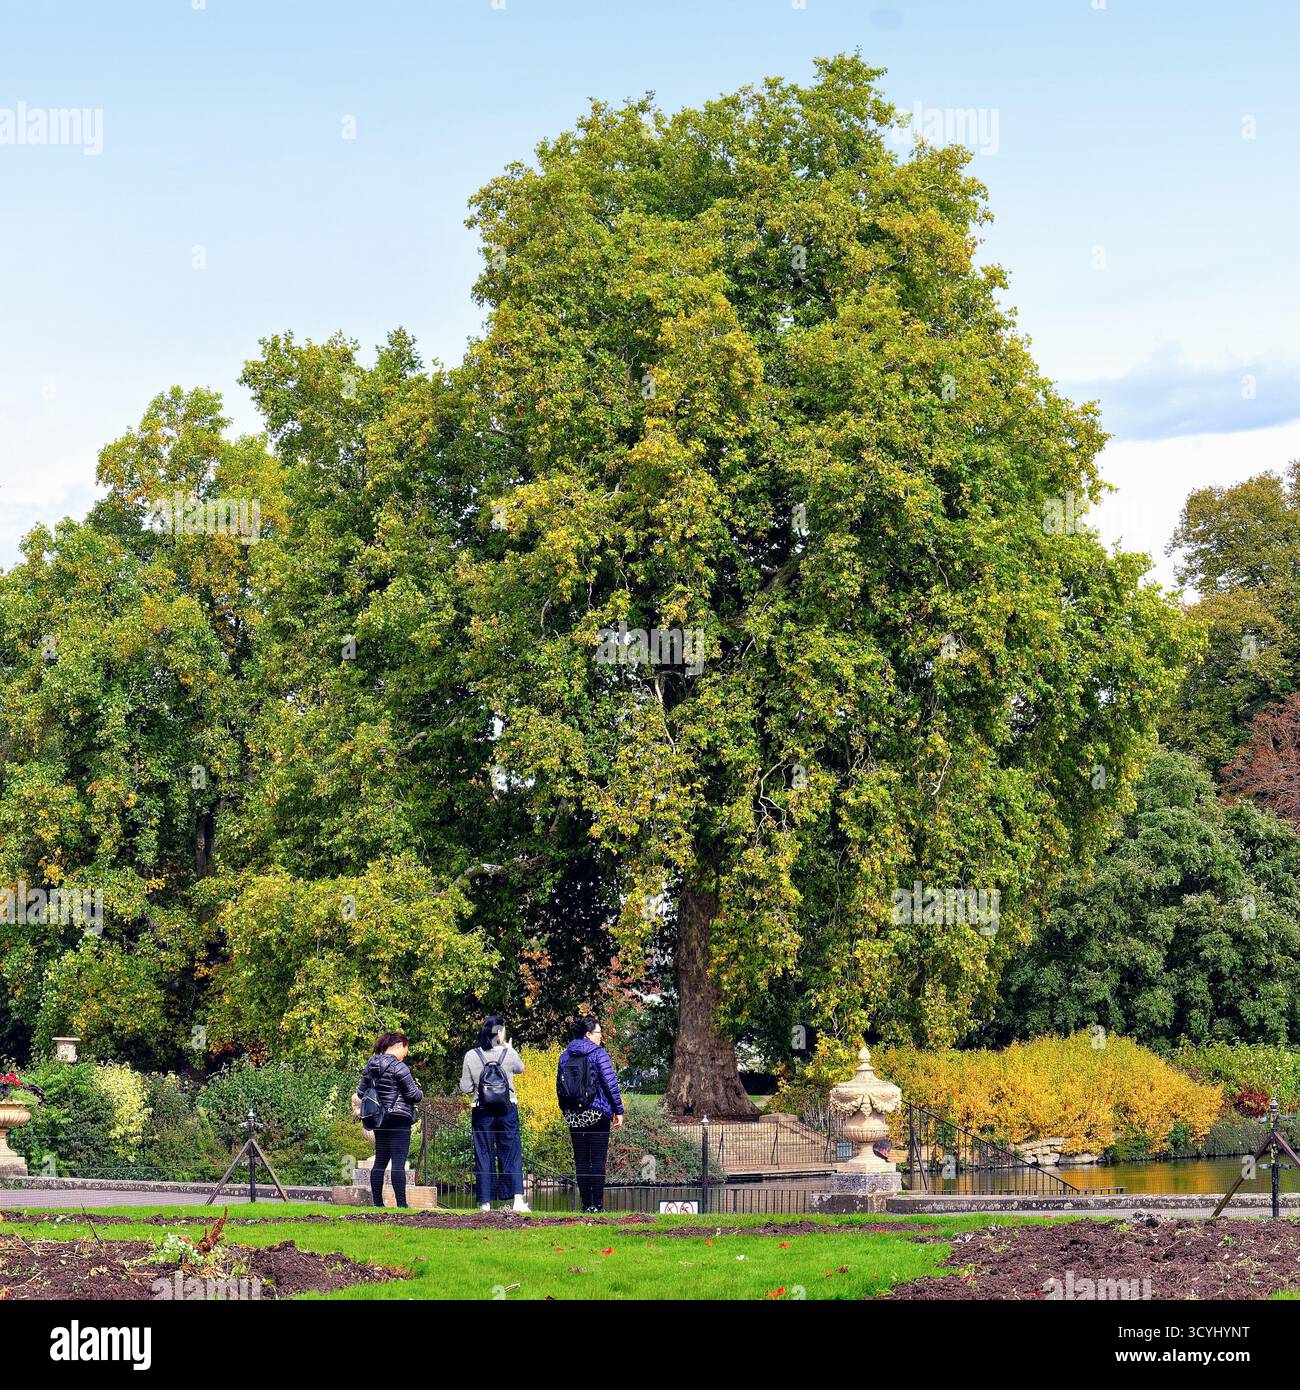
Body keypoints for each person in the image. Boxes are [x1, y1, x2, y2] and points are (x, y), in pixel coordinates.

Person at [460, 1016, 529, 1213]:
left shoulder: (471, 1055)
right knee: (511, 1152)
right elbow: (521, 1069)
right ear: (499, 1032)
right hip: (507, 1109)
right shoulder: (509, 1053)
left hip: (481, 1110)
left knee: (483, 1153)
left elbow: (465, 1087)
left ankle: (485, 1203)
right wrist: (509, 1047)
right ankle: (516, 1200)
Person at [556, 1015, 624, 1213]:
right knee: (597, 1160)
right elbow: (610, 1084)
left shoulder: (565, 1055)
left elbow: (559, 1087)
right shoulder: (598, 1053)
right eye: (598, 1032)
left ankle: (586, 1205)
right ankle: (598, 1205)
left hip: (574, 1116)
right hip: (597, 1113)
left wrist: (566, 1111)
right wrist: (618, 1110)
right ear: (588, 1034)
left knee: (582, 1161)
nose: (601, 1036)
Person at [356, 1031, 422, 1209]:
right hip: (399, 1118)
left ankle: (377, 1203)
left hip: (378, 1118)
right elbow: (413, 1095)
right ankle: (401, 1204)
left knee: (380, 1161)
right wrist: (420, 1091)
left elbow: (361, 1092)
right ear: (399, 1045)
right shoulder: (400, 1067)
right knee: (398, 1162)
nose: (405, 1055)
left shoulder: (371, 1065)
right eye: (405, 1050)